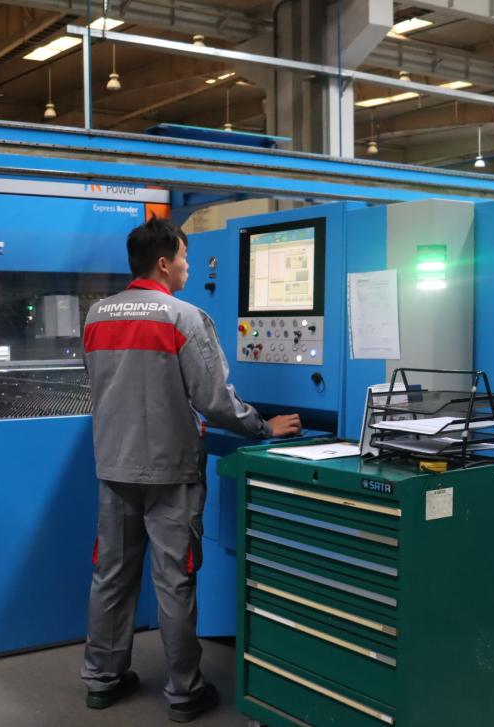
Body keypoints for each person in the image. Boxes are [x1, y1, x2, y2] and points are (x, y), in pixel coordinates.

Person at [80, 216, 302, 722]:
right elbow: (214, 398)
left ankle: (102, 680)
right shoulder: (183, 318)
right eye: (184, 258)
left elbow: (100, 381)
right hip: (171, 473)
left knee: (110, 577)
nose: (188, 267)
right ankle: (184, 692)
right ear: (163, 263)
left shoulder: (96, 315)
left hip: (114, 467)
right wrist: (263, 427)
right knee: (174, 582)